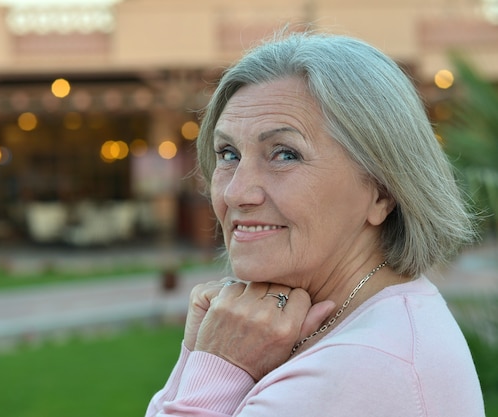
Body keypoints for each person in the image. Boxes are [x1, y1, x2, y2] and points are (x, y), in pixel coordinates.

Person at [146, 30, 485, 417]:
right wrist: (201, 350)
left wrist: (219, 366)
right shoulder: (364, 322)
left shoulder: (361, 365)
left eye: (285, 155)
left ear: (382, 191)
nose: (236, 192)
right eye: (228, 153)